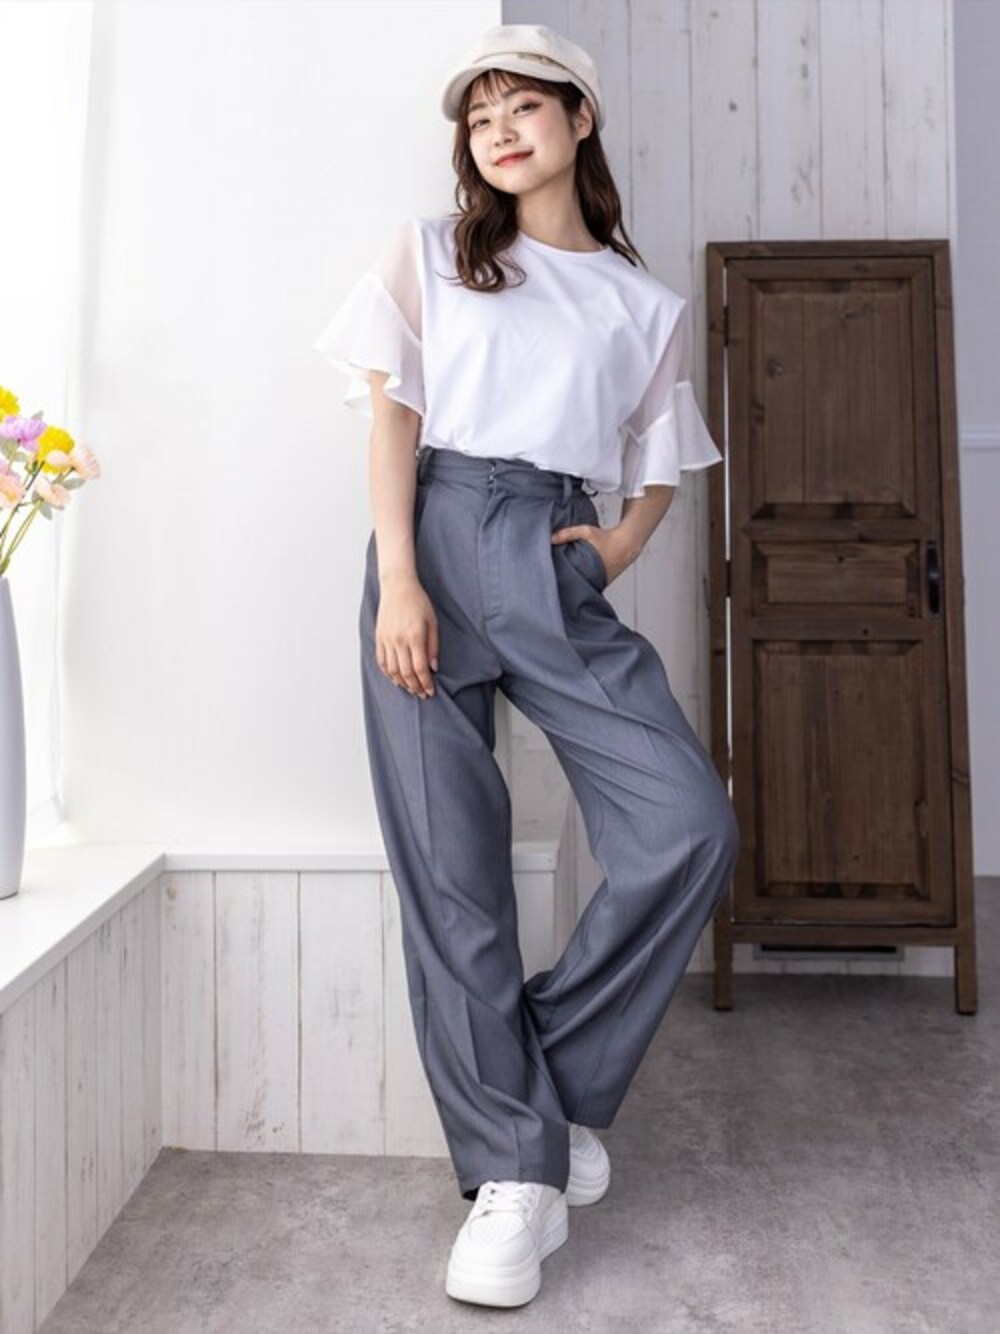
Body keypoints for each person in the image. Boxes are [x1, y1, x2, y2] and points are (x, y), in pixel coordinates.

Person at [313, 21, 740, 1311]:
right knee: (453, 874)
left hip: (553, 557)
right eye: (480, 114)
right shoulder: (435, 254)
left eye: (524, 106)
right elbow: (393, 420)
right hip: (434, 541)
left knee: (687, 826)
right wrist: (400, 577)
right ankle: (515, 1173)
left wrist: (613, 549)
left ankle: (548, 1092)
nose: (499, 130)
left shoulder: (641, 305)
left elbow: (660, 463)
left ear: (579, 119)